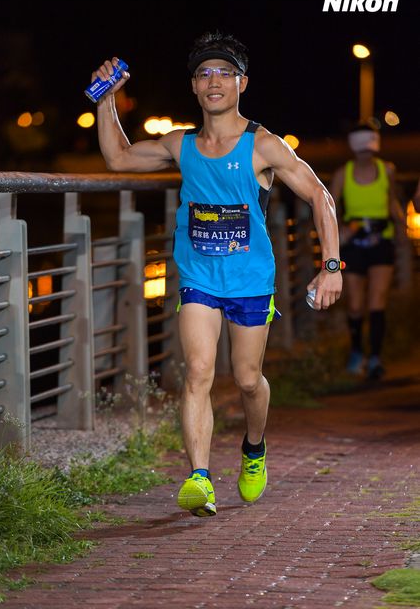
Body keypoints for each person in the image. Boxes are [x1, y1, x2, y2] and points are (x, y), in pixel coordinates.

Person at [93, 31, 342, 518]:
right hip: (198, 277)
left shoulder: (263, 145)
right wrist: (106, 99)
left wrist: (330, 266)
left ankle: (254, 447)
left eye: (225, 73)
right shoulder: (180, 144)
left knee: (248, 380)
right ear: (193, 86)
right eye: (204, 73)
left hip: (250, 280)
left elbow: (320, 195)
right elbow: (118, 157)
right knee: (199, 372)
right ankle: (200, 478)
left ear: (241, 83)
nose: (214, 81)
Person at [330, 122, 405, 380]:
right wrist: (340, 230)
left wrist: (401, 227)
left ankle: (375, 358)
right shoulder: (343, 173)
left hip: (381, 240)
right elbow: (329, 205)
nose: (365, 152)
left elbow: (392, 201)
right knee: (355, 304)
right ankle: (356, 351)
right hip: (354, 243)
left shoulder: (387, 170)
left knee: (377, 301)